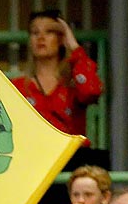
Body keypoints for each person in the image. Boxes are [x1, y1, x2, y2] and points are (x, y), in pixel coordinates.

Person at [13, 10, 102, 139]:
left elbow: (92, 91)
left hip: (72, 157)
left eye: (49, 32)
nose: (41, 37)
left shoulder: (73, 84)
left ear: (61, 38)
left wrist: (74, 47)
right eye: (35, 32)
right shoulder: (18, 87)